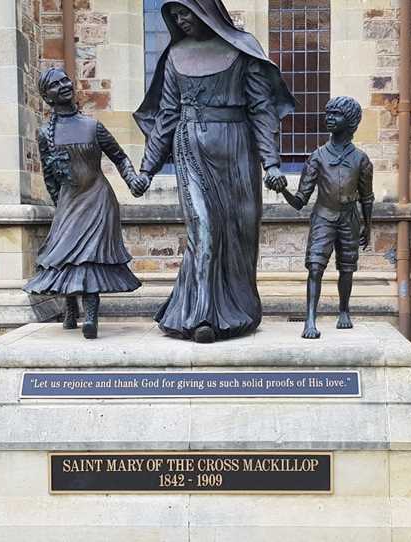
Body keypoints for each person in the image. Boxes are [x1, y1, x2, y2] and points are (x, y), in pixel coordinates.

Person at [133, 0, 294, 343]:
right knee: (203, 229)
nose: (179, 19)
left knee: (239, 231)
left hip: (237, 150)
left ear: (205, 10)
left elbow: (261, 110)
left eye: (185, 12)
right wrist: (148, 168)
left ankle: (237, 310)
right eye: (174, 14)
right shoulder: (175, 56)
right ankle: (202, 315)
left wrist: (272, 162)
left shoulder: (242, 50)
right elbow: (166, 116)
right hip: (190, 147)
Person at [24, 67, 145, 339]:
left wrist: (132, 180)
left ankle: (91, 316)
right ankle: (70, 307)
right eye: (56, 84)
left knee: (90, 257)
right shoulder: (46, 133)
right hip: (70, 201)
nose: (64, 85)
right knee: (65, 255)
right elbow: (49, 176)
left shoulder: (92, 126)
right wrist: (62, 205)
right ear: (47, 96)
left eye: (66, 80)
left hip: (99, 199)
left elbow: (120, 157)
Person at [267, 96, 374, 339]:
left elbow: (367, 197)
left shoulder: (361, 160)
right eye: (328, 113)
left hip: (349, 218)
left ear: (350, 121)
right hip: (323, 217)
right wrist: (282, 188)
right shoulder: (317, 157)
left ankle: (344, 311)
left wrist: (368, 227)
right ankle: (310, 320)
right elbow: (300, 201)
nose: (329, 118)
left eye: (335, 114)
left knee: (347, 268)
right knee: (315, 268)